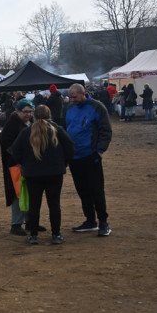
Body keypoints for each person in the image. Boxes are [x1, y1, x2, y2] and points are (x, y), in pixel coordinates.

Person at [8, 105, 75, 245]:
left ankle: (33, 235)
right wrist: (63, 163)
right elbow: (71, 148)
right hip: (54, 173)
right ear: (49, 115)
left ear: (34, 115)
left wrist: (25, 163)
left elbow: (14, 151)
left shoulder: (26, 132)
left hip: (33, 173)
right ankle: (56, 234)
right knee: (54, 204)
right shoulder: (57, 130)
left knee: (34, 204)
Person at [65, 83, 113, 237]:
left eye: (75, 97)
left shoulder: (97, 107)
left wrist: (100, 150)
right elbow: (66, 129)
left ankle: (103, 222)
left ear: (83, 93)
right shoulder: (69, 108)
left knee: (96, 189)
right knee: (82, 190)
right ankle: (90, 220)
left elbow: (106, 130)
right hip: (74, 157)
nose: (72, 100)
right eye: (70, 97)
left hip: (91, 155)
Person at [0, 99, 34, 236]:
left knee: (31, 194)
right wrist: (19, 157)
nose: (28, 114)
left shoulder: (31, 123)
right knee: (18, 195)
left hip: (30, 164)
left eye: (30, 112)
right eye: (25, 112)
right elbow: (7, 145)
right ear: (18, 112)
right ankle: (16, 224)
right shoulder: (12, 125)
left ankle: (31, 221)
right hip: (15, 166)